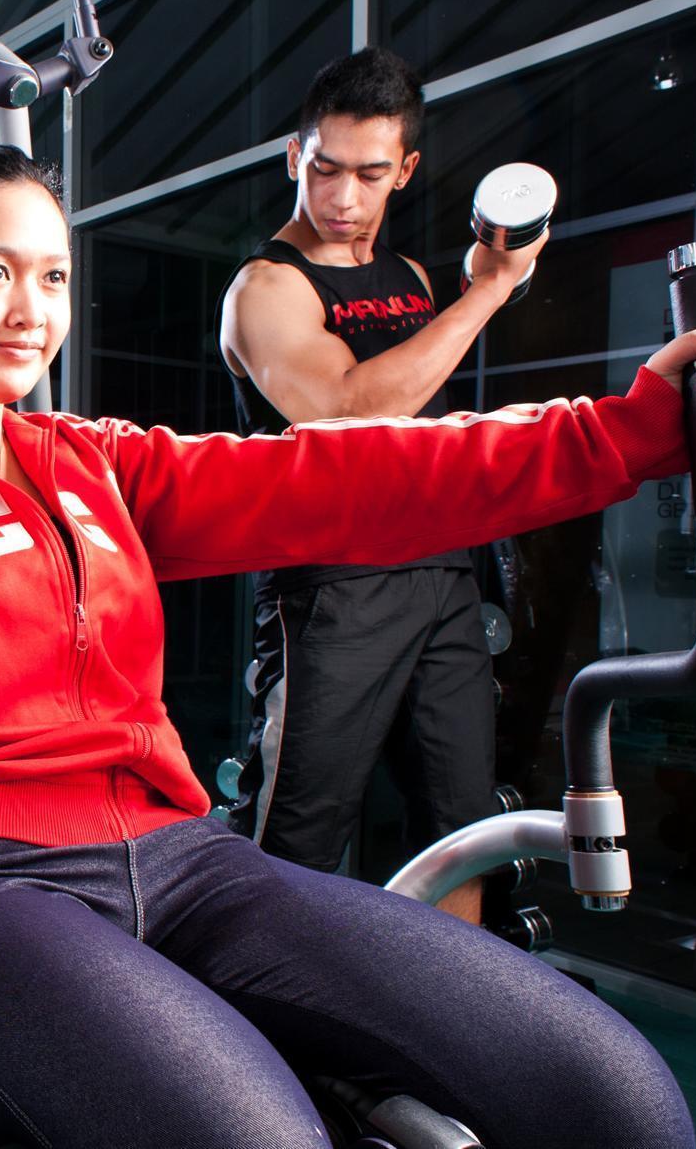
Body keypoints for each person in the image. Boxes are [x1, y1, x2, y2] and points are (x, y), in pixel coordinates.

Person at [0, 144, 696, 1149]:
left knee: (608, 1092)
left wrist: (627, 433)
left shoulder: (100, 467)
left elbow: (354, 474)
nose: (31, 308)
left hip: (183, 861)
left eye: (51, 278)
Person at [217, 49, 539, 922]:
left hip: (440, 577)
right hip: (334, 586)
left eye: (368, 174)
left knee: (459, 830)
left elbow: (424, 424)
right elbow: (344, 406)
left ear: (404, 171)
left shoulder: (413, 281)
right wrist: (485, 298)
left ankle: (447, 1027)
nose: (342, 199)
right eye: (324, 169)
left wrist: (461, 296)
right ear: (295, 156)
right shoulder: (266, 287)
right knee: (299, 841)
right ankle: (269, 1040)